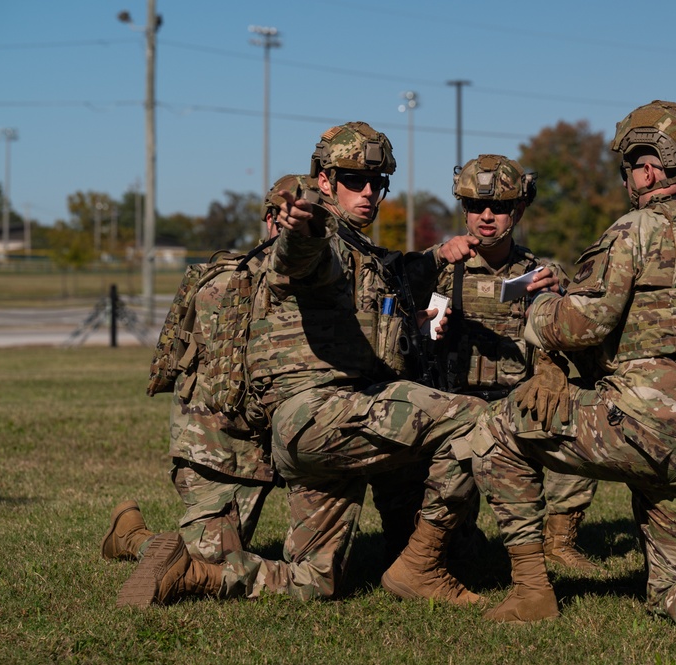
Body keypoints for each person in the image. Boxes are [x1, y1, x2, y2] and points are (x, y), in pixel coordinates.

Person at [468, 101, 676, 641]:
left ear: (648, 167)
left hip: (633, 432)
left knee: (491, 429)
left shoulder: (639, 230)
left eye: (630, 168)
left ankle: (530, 590)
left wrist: (538, 309)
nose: (630, 180)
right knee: (672, 589)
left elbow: (578, 327)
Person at [116, 121, 486, 609]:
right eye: (355, 179)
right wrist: (304, 228)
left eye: (379, 182)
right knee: (210, 547)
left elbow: (384, 284)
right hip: (229, 439)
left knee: (317, 583)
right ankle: (137, 540)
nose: (370, 192)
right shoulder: (319, 242)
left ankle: (186, 573)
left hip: (306, 431)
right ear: (325, 180)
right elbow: (303, 258)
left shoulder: (361, 254)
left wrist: (439, 255)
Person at [102, 174, 303, 566]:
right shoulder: (235, 285)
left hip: (266, 444)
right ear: (270, 221)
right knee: (208, 563)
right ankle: (131, 536)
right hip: (220, 451)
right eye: (287, 218)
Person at [431, 153, 600, 572]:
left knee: (579, 421)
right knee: (459, 556)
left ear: (518, 210)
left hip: (516, 407)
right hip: (456, 410)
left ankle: (559, 540)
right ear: (464, 209)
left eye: (501, 207)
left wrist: (561, 295)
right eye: (475, 206)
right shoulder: (439, 267)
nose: (487, 216)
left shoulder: (540, 273)